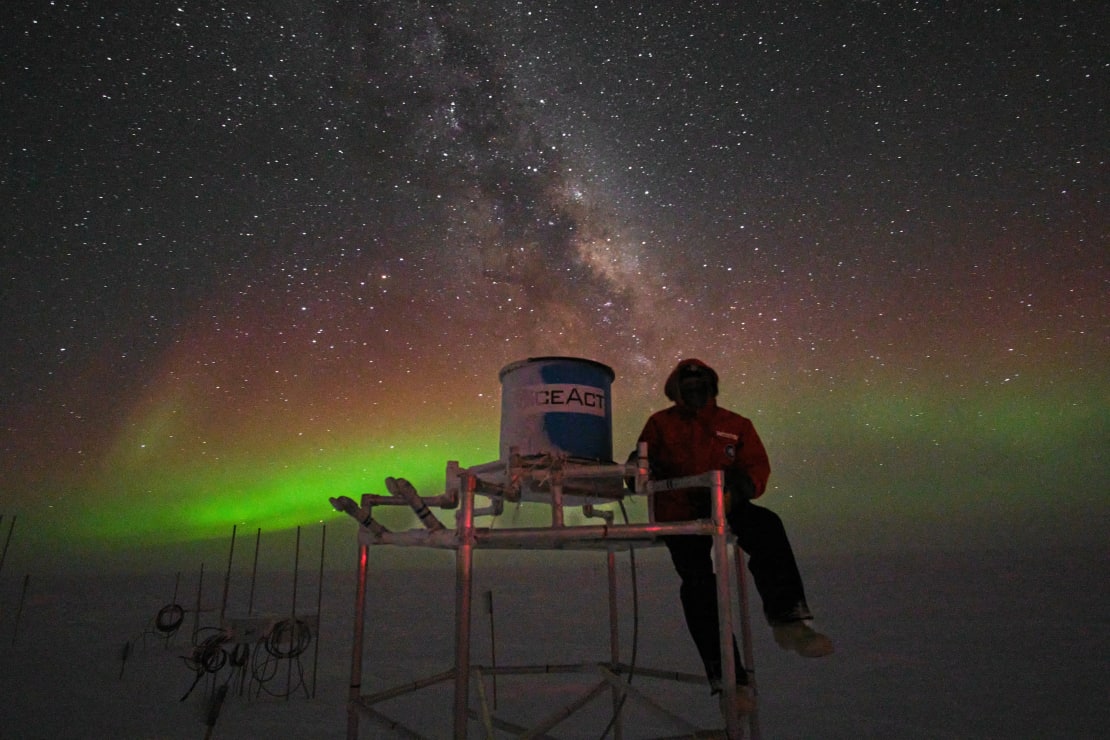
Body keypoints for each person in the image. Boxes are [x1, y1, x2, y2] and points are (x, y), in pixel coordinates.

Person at [636, 358, 833, 717]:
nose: (694, 391)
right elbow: (640, 465)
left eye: (700, 385)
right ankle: (729, 679)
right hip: (680, 511)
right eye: (687, 386)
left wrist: (737, 490)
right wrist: (643, 465)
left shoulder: (734, 424)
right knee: (698, 585)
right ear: (676, 390)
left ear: (711, 387)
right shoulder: (660, 425)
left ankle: (789, 620)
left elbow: (756, 466)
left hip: (725, 503)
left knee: (767, 527)